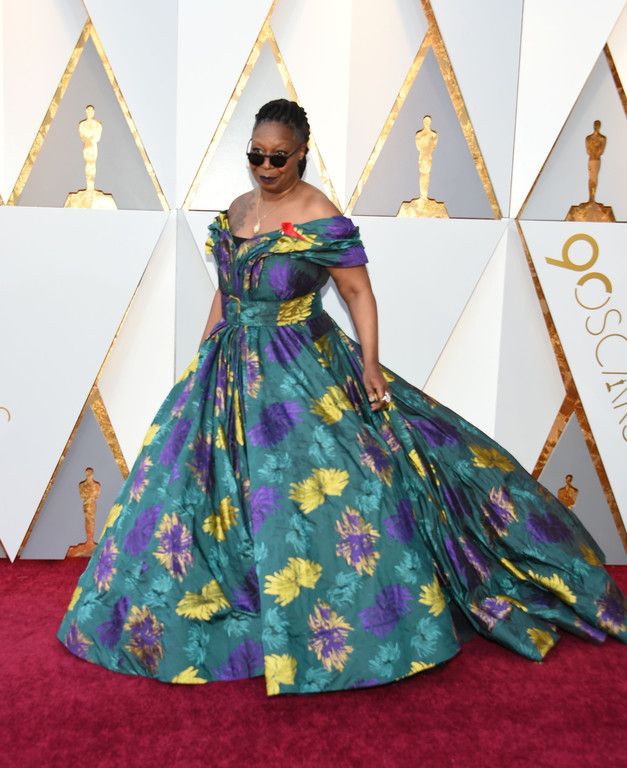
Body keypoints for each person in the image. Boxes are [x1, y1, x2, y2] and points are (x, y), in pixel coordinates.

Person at [56, 99, 626, 696]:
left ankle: (345, 617)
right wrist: (202, 357)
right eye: (256, 155)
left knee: (344, 483)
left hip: (300, 366)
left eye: (278, 157)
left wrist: (371, 365)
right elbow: (226, 295)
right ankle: (235, 606)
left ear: (302, 153)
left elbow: (358, 294)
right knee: (196, 488)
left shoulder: (319, 214)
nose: (265, 167)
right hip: (228, 368)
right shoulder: (238, 210)